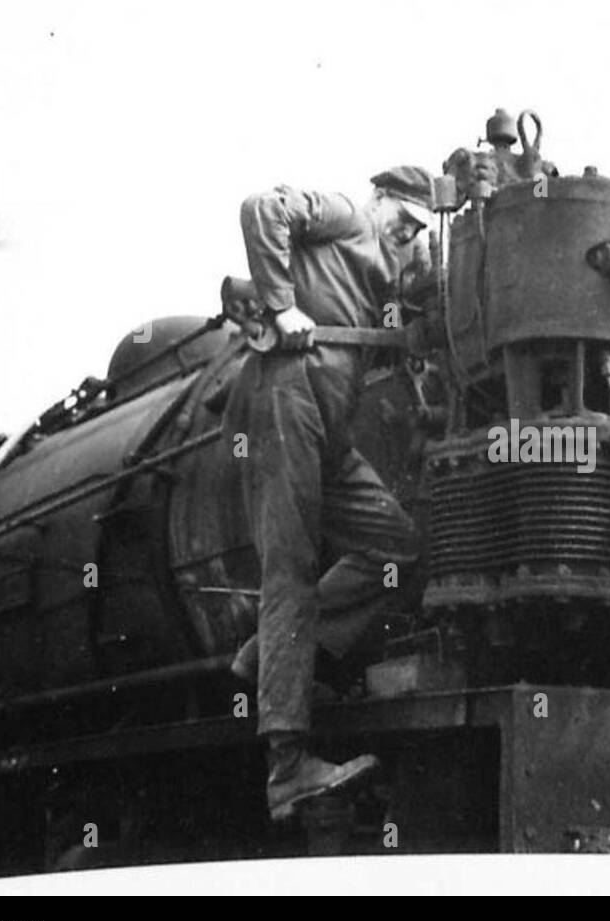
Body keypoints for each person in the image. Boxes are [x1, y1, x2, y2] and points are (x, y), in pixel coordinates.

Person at [224, 167, 434, 821]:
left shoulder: (386, 271)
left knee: (398, 544)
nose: (406, 234)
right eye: (403, 219)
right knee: (290, 566)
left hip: (328, 423)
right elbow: (264, 205)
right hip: (287, 394)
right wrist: (282, 301)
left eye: (418, 231)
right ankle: (288, 767)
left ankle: (267, 654)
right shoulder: (345, 213)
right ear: (381, 201)